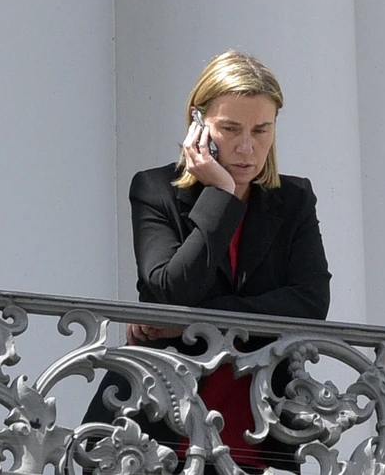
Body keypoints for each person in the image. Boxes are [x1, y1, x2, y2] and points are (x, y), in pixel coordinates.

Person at [82, 50, 331, 474]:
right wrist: (222, 194)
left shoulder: (294, 200)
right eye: (231, 129)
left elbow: (311, 302)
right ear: (197, 122)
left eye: (262, 130)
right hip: (154, 419)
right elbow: (171, 291)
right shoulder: (154, 189)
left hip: (254, 421)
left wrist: (196, 321)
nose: (247, 147)